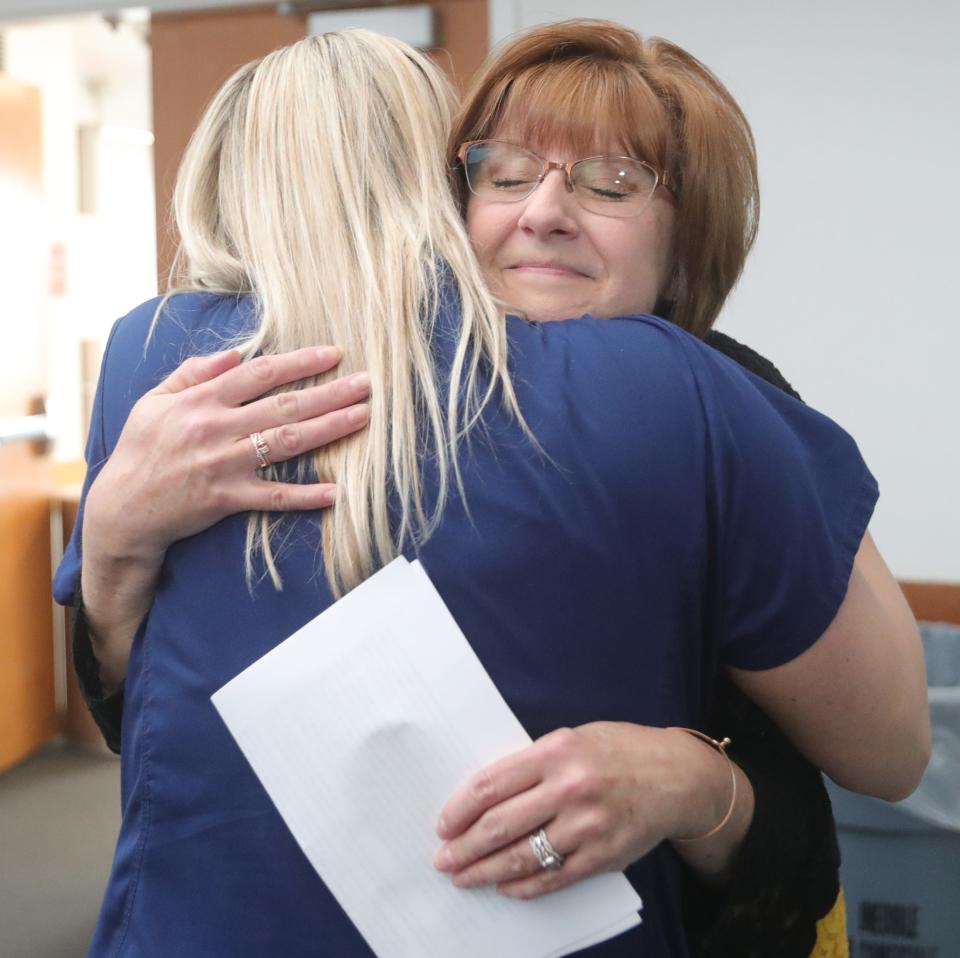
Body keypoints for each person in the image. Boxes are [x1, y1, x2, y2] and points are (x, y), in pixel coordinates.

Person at [55, 25, 929, 958]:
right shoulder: (230, 395)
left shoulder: (711, 393)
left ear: (686, 252)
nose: (544, 211)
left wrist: (690, 780)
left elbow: (878, 761)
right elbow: (144, 710)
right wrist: (109, 542)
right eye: (504, 174)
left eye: (611, 184)